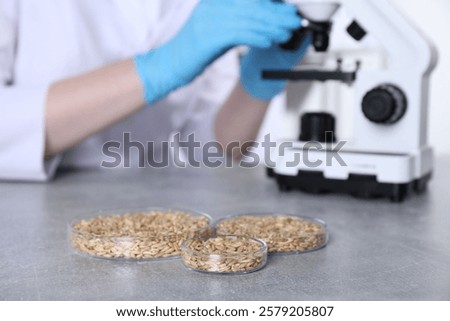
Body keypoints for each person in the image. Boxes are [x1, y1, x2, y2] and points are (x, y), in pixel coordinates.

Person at [0, 0, 310, 181]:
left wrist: (257, 83)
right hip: (36, 209)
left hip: (157, 202)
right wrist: (160, 68)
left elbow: (211, 149)